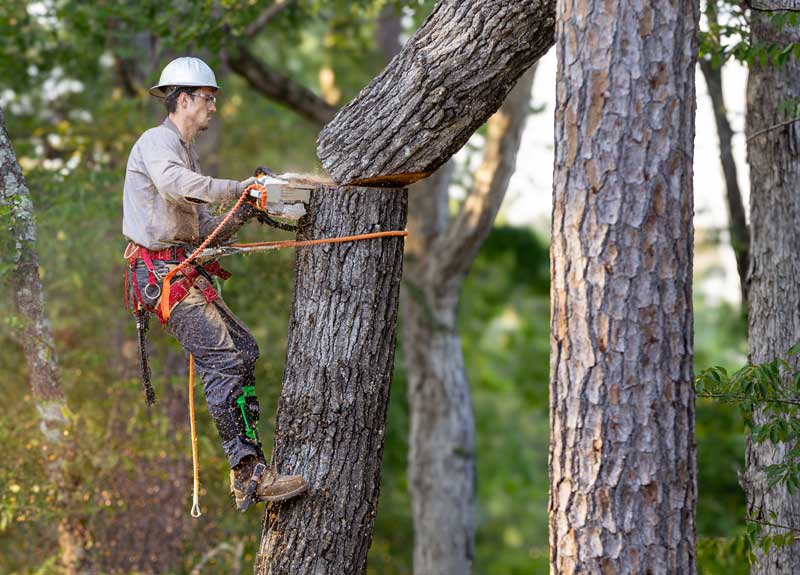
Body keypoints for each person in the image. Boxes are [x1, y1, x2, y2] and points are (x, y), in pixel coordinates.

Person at [122, 56, 307, 511]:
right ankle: (249, 474)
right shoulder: (157, 144)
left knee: (243, 349)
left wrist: (249, 207)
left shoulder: (186, 153)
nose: (212, 109)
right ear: (183, 99)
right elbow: (172, 186)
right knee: (223, 358)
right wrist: (236, 188)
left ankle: (250, 469)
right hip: (161, 274)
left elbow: (207, 229)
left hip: (182, 270)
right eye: (208, 99)